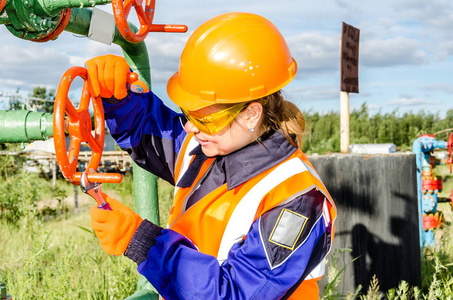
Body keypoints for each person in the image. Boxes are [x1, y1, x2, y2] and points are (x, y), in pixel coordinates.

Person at [87, 12, 336, 300]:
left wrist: (141, 241)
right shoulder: (208, 147)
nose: (191, 127)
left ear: (251, 114)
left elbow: (233, 293)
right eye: (188, 113)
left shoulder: (298, 201)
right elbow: (149, 132)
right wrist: (117, 94)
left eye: (205, 120)